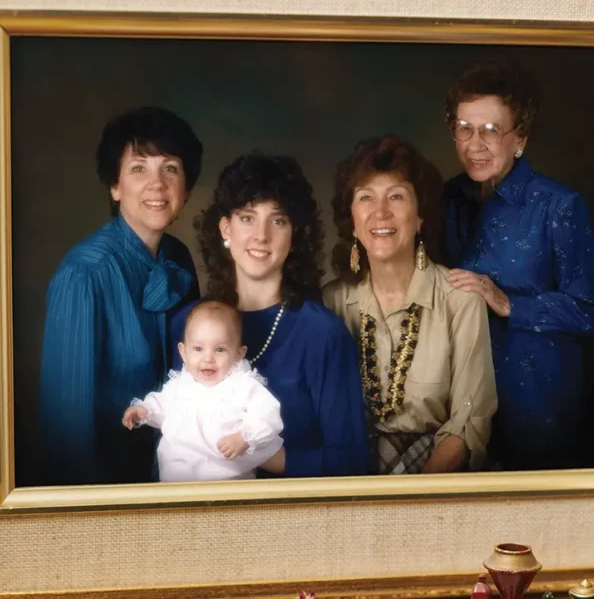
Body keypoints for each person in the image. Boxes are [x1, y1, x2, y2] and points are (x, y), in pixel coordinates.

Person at [439, 61, 594, 470]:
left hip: (535, 405)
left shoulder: (558, 205)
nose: (474, 144)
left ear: (520, 139)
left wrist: (508, 302)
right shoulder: (444, 198)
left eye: (491, 130)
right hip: (458, 404)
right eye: (465, 128)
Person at [171, 154, 367, 477]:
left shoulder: (323, 335)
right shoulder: (185, 326)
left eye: (278, 221)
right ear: (225, 228)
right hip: (199, 516)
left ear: (295, 235)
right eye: (247, 218)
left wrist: (257, 456)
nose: (261, 235)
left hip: (297, 517)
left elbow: (351, 461)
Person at [37, 106, 202, 485]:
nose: (157, 184)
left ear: (186, 187)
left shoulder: (179, 258)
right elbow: (66, 431)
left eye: (171, 169)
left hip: (180, 475)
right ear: (114, 186)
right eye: (139, 168)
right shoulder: (84, 273)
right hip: (109, 488)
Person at [323, 136, 496, 475]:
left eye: (397, 196)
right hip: (352, 476)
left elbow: (468, 421)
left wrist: (413, 497)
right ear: (353, 221)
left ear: (420, 217)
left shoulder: (461, 299)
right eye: (366, 197)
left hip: (439, 477)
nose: (381, 212)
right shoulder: (332, 302)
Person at [122, 300, 283, 482]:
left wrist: (244, 437)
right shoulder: (180, 385)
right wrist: (143, 411)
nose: (208, 358)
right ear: (183, 352)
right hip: (175, 482)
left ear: (238, 354)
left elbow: (268, 414)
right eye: (198, 348)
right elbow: (162, 406)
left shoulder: (242, 385)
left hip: (228, 482)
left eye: (220, 349)